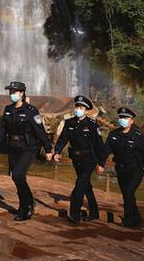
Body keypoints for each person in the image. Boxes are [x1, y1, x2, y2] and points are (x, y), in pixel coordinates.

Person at [0, 81, 53, 221]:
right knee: (17, 177)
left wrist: (48, 149)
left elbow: (40, 131)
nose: (12, 95)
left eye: (14, 92)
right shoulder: (8, 109)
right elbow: (2, 129)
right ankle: (24, 204)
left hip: (28, 148)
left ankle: (28, 207)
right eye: (10, 92)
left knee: (18, 175)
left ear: (22, 93)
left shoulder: (31, 111)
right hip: (13, 147)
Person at [97, 107, 144, 228]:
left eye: (126, 118)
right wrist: (101, 164)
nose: (123, 120)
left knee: (128, 193)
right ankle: (137, 219)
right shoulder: (114, 135)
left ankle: (129, 220)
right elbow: (105, 151)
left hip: (136, 169)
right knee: (127, 195)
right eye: (121, 117)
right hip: (121, 169)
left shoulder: (139, 136)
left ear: (131, 121)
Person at [53, 95, 104, 223]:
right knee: (86, 186)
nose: (78, 109)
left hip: (89, 159)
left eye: (81, 108)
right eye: (77, 107)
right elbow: (63, 139)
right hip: (76, 158)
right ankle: (94, 212)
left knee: (79, 186)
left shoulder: (92, 125)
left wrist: (101, 163)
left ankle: (75, 215)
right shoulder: (69, 123)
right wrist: (57, 152)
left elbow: (99, 146)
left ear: (86, 111)